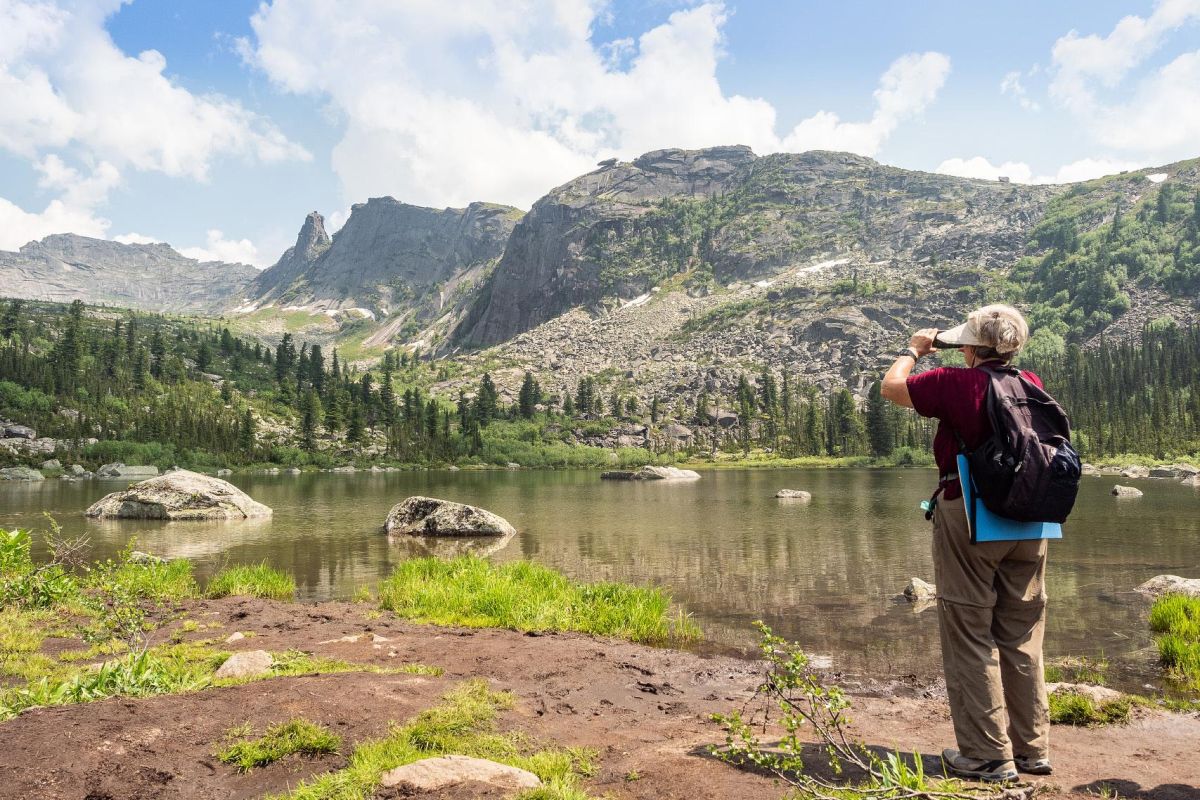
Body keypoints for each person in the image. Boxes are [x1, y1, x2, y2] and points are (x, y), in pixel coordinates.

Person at [880, 304, 1051, 783]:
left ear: (972, 349)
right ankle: (1031, 749)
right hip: (1032, 521)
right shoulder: (1032, 384)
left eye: (964, 344)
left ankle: (985, 755)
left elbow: (891, 388)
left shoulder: (957, 383)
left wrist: (915, 349)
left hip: (972, 518)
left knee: (969, 630)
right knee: (1022, 635)